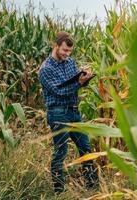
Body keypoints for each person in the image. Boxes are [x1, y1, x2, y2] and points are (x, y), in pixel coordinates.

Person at [38, 31, 98, 193]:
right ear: (55, 46)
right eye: (64, 50)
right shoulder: (45, 69)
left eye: (69, 51)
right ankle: (59, 191)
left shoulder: (70, 62)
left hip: (73, 111)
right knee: (61, 151)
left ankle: (92, 187)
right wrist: (79, 82)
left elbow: (75, 84)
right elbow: (60, 92)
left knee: (85, 148)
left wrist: (85, 77)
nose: (67, 54)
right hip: (57, 113)